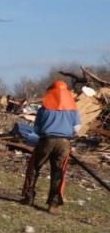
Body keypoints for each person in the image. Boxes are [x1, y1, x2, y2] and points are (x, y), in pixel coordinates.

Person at [21, 80, 81, 212]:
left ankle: (28, 197)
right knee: (58, 172)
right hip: (64, 143)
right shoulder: (73, 109)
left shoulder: (44, 108)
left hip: (46, 140)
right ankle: (53, 204)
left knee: (34, 168)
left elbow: (36, 129)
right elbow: (77, 128)